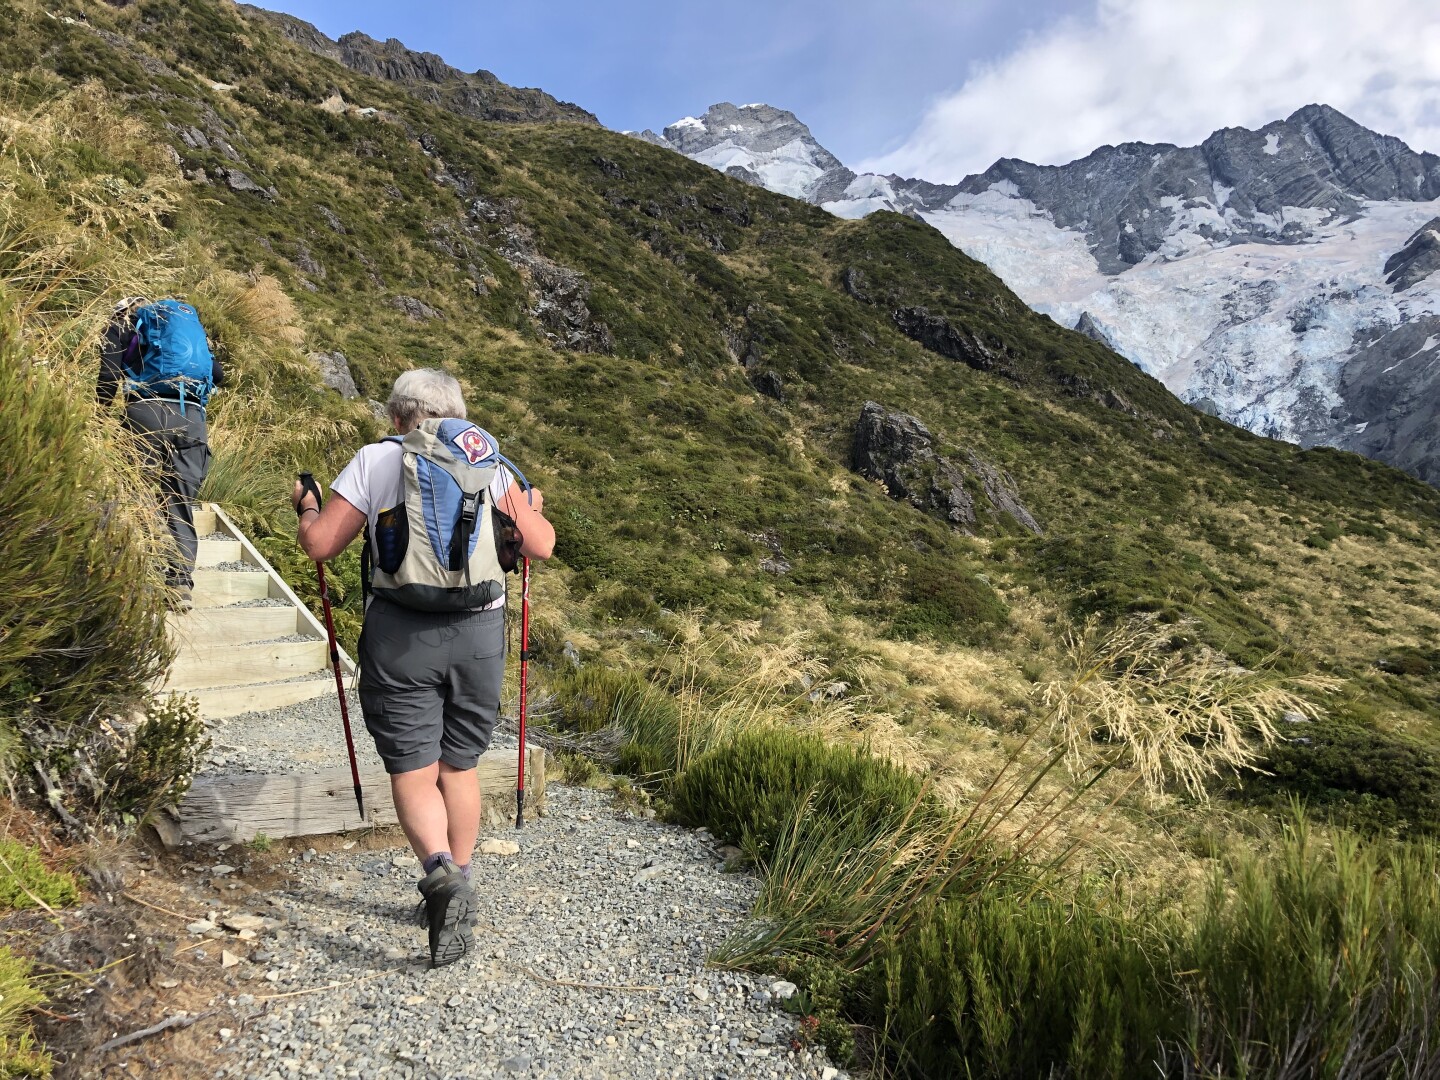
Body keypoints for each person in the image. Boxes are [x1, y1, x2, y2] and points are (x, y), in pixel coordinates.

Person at [291, 368, 554, 967]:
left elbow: (321, 545)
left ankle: (440, 876)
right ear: (457, 413)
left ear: (396, 417)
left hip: (402, 633)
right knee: (459, 768)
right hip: (480, 633)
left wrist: (308, 508)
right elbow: (539, 546)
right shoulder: (488, 461)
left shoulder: (375, 461)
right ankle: (459, 876)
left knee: (413, 771)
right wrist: (527, 508)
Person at [98, 297, 224, 609]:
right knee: (180, 501)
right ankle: (179, 583)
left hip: (146, 413)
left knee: (133, 492)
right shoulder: (184, 336)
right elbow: (218, 374)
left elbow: (108, 374)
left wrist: (100, 414)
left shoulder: (124, 325)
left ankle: (133, 575)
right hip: (192, 419)